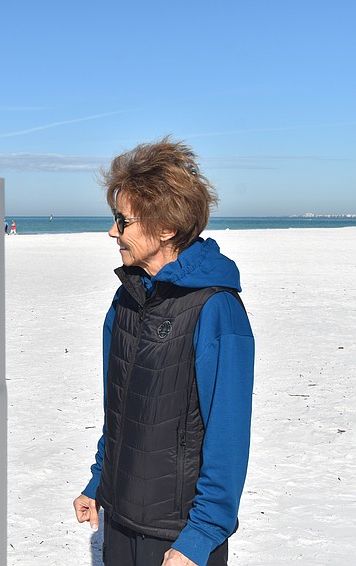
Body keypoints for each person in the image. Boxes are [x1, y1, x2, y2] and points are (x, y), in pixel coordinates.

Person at [73, 137, 254, 566]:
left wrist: (201, 536)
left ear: (166, 227)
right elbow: (120, 408)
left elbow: (228, 436)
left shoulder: (216, 308)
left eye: (123, 220)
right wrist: (99, 481)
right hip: (119, 518)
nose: (113, 231)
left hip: (179, 535)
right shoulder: (126, 300)